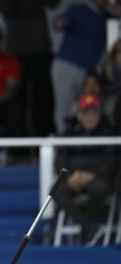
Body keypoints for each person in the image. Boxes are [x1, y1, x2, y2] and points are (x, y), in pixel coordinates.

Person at [0, 0, 60, 136]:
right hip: (16, 53)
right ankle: (19, 147)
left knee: (43, 100)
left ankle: (45, 141)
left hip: (40, 50)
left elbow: (54, 1)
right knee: (17, 101)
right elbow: (5, 7)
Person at [54, 94, 118, 242]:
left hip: (98, 178)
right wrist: (69, 177)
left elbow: (112, 161)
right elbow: (60, 160)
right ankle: (86, 225)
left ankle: (86, 226)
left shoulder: (109, 132)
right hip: (74, 177)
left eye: (93, 112)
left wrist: (93, 174)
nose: (90, 117)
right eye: (86, 113)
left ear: (99, 114)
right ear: (79, 115)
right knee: (56, 189)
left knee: (100, 188)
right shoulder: (68, 133)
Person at [52, 0, 111, 134]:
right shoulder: (78, 9)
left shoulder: (107, 17)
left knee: (89, 108)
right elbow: (58, 22)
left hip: (88, 75)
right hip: (68, 67)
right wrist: (61, 22)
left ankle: (84, 147)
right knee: (65, 109)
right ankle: (62, 147)